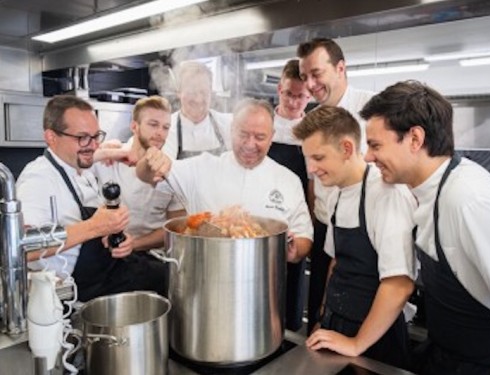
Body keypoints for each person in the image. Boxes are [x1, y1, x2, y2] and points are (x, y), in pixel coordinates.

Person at [359, 80, 490, 375]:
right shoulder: (426, 191)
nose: (368, 157)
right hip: (442, 355)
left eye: (375, 145)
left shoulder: (467, 199)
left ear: (414, 139)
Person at [293, 105, 416, 369]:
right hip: (336, 324)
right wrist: (323, 315)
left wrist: (357, 343)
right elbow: (338, 263)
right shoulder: (336, 191)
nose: (312, 169)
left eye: (318, 158)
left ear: (347, 149)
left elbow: (399, 284)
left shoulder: (387, 194)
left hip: (375, 337)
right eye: (308, 159)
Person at [16, 95, 168, 302]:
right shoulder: (38, 178)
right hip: (77, 292)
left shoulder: (82, 169)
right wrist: (95, 227)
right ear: (51, 137)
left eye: (96, 136)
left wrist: (118, 238)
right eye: (82, 137)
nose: (93, 145)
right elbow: (21, 247)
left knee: (173, 276)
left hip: (110, 269)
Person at [137, 98, 313, 263]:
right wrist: (150, 160)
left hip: (263, 281)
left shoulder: (288, 180)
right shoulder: (202, 167)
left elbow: (304, 235)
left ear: (272, 136)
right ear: (231, 130)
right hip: (205, 274)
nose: (250, 144)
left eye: (259, 137)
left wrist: (295, 250)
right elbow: (147, 175)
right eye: (243, 134)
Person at [297, 37, 374, 332]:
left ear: (340, 68)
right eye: (305, 77)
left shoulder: (371, 109)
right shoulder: (311, 119)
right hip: (325, 226)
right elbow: (312, 180)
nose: (310, 85)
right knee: (321, 308)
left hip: (365, 231)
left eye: (317, 74)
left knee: (360, 317)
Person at [93, 96, 185, 252]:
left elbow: (177, 226)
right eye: (153, 125)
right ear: (134, 126)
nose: (160, 133)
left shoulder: (171, 172)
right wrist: (105, 152)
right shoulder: (109, 159)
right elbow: (70, 162)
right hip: (104, 252)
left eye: (165, 127)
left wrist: (133, 244)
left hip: (151, 258)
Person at [267, 59, 312, 331]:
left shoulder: (312, 132)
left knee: (291, 295)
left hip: (294, 224)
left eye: (301, 96)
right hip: (260, 220)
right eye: (289, 94)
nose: (294, 103)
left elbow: (312, 186)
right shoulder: (264, 125)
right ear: (279, 91)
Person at [162, 60, 233, 160]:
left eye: (204, 92)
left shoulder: (228, 124)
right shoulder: (166, 129)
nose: (198, 99)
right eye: (192, 92)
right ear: (179, 92)